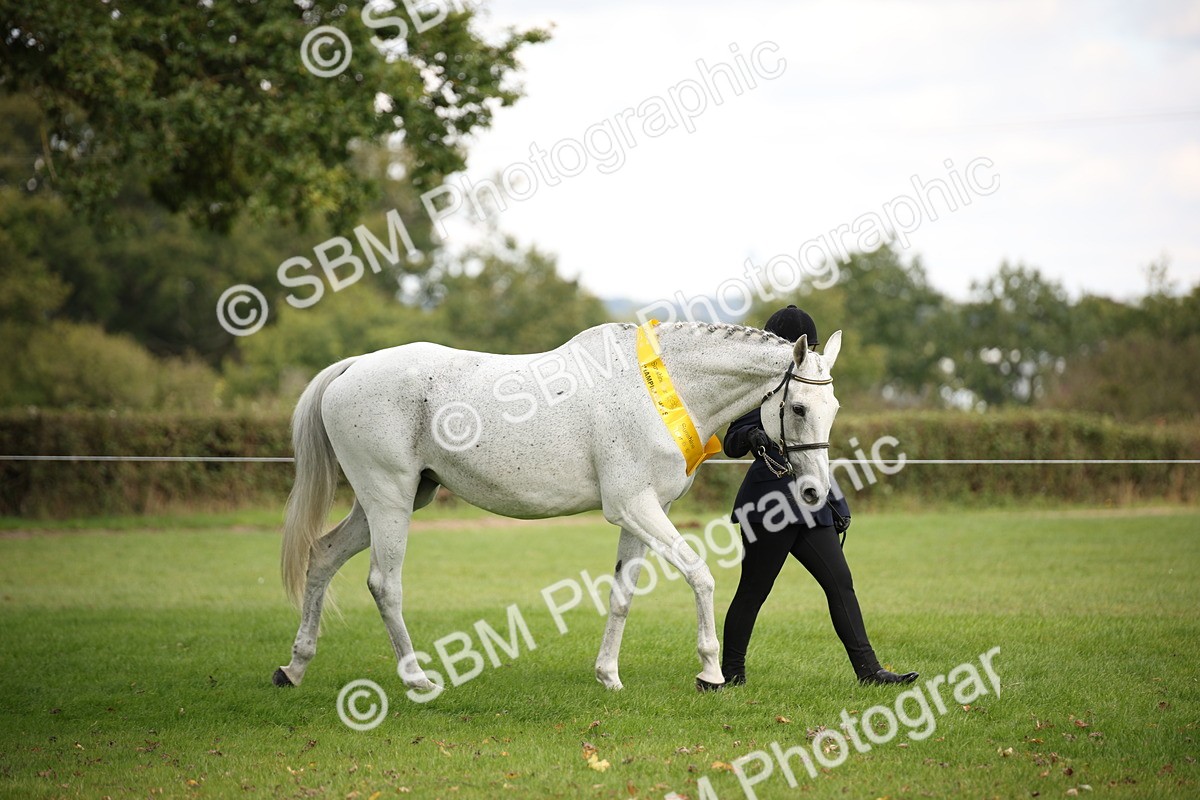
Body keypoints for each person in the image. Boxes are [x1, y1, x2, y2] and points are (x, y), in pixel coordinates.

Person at [719, 305, 918, 687]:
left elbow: (817, 450)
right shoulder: (757, 388)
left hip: (811, 503)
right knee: (754, 591)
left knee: (840, 582)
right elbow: (730, 442)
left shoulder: (812, 385)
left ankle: (870, 672)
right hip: (770, 505)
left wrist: (836, 500)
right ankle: (730, 673)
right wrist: (751, 436)